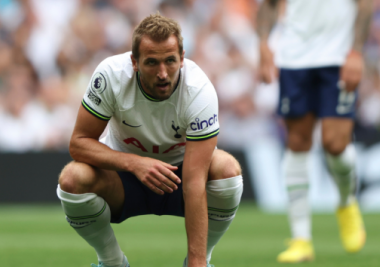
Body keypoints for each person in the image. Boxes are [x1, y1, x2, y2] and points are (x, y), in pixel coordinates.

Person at [56, 14, 243, 267]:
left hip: (182, 177)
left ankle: (202, 262)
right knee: (71, 180)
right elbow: (78, 143)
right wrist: (135, 163)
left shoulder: (199, 90)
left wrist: (196, 262)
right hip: (123, 178)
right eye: (152, 62)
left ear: (182, 58)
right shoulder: (111, 76)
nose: (163, 73)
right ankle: (112, 262)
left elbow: (195, 180)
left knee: (228, 172)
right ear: (134, 62)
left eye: (170, 61)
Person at [256, 0, 377, 262]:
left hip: (337, 56)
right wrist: (264, 43)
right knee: (296, 142)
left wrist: (356, 52)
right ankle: (301, 239)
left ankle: (346, 201)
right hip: (294, 56)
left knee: (335, 144)